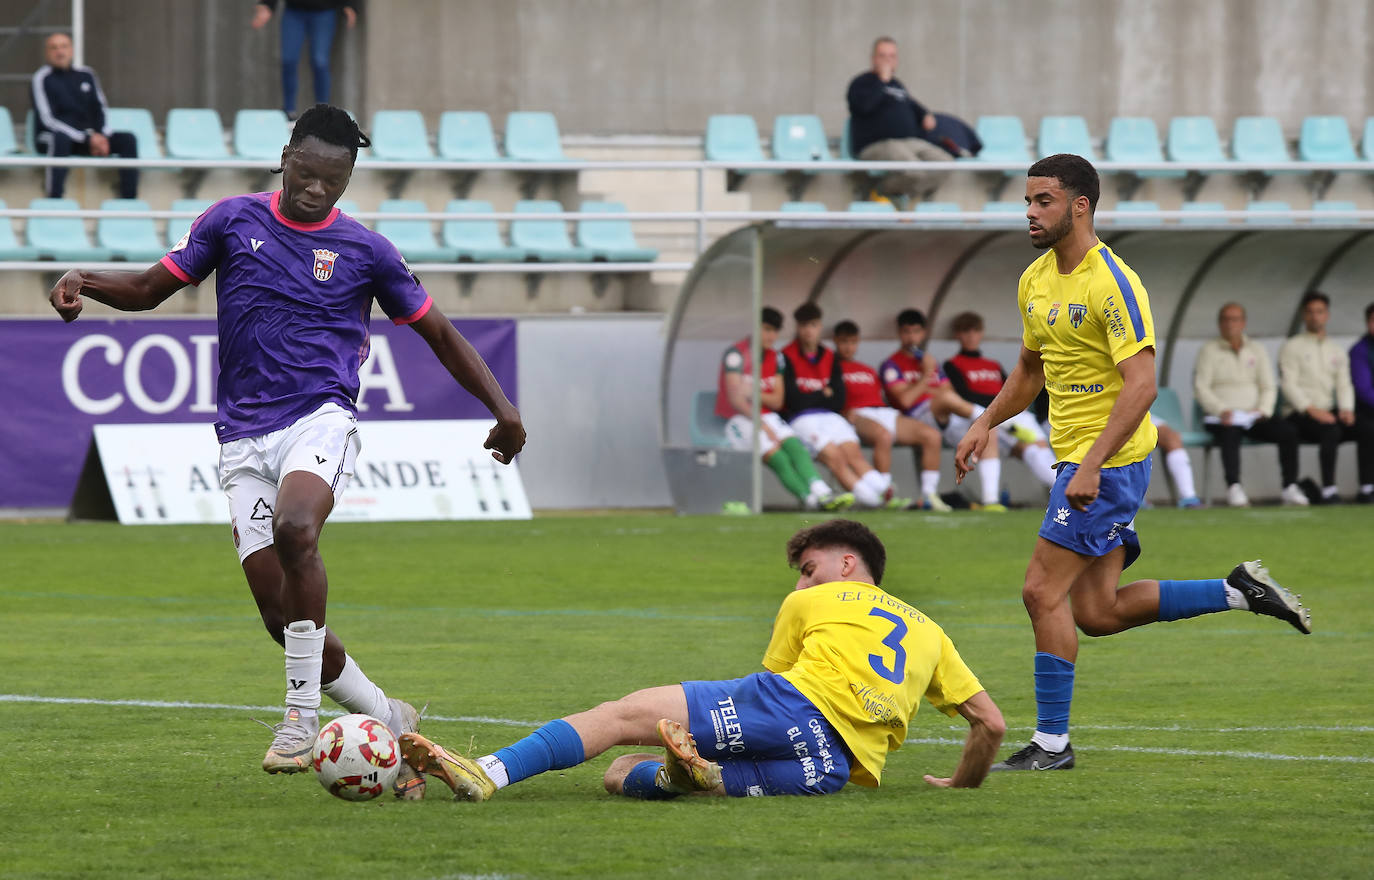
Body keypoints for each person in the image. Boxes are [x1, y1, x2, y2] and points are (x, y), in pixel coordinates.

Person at [46, 105, 525, 795]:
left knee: (298, 527)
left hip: (319, 417)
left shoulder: (367, 251)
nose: (316, 190)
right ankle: (387, 716)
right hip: (242, 435)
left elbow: (440, 333)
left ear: (348, 176)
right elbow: (152, 289)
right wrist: (83, 282)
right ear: (285, 158)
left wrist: (503, 412)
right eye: (307, 173)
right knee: (281, 616)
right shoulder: (232, 221)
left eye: (333, 180)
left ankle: (298, 719)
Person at [955, 153, 1312, 772]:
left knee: (1041, 591)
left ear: (1080, 205)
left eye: (1044, 201)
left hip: (1110, 463)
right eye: (1028, 202)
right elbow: (1030, 371)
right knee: (1097, 613)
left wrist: (1090, 465)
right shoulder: (1035, 279)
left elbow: (1141, 385)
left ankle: (1052, 744)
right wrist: (985, 421)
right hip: (1083, 460)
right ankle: (1238, 592)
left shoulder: (1113, 282)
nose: (1032, 213)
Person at [395, 519, 1006, 800]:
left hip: (790, 707)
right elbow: (992, 724)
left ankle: (489, 772)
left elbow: (771, 683)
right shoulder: (932, 633)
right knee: (630, 773)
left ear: (847, 564)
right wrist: (962, 783)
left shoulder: (814, 602)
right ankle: (687, 774)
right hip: (828, 770)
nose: (801, 586)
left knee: (620, 716)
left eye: (808, 569)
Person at [715, 307, 849, 511]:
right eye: (766, 329)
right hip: (738, 419)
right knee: (779, 458)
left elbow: (778, 401)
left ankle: (823, 492)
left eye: (775, 331)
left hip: (766, 415)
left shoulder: (775, 358)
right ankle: (809, 500)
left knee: (796, 448)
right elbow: (735, 399)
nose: (771, 336)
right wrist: (759, 419)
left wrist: (752, 391)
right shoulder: (736, 355)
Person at [882, 308, 1006, 511]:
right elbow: (906, 399)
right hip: (916, 418)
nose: (911, 337)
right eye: (906, 332)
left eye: (916, 332)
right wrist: (927, 375)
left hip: (944, 418)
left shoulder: (929, 361)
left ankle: (991, 500)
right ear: (899, 333)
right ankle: (994, 419)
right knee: (946, 399)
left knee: (989, 430)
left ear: (923, 333)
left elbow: (949, 393)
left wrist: (927, 382)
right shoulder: (892, 364)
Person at [780, 303, 893, 508]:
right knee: (834, 456)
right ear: (797, 327)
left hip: (831, 416)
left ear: (819, 327)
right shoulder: (786, 356)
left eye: (812, 325)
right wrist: (822, 393)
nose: (808, 330)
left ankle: (885, 493)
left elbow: (838, 399)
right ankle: (872, 500)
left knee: (854, 454)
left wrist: (812, 395)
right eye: (803, 325)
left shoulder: (829, 356)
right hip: (801, 418)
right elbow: (792, 400)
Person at [1193, 302, 1306, 507]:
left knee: (1288, 431)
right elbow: (1201, 388)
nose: (1230, 324)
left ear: (1243, 323)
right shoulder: (1208, 351)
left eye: (1235, 319)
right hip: (1223, 417)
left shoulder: (1257, 349)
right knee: (1230, 432)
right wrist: (1221, 410)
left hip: (1253, 417)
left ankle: (1290, 486)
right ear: (1219, 324)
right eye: (1226, 319)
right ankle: (1234, 487)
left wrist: (1263, 410)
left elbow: (1268, 386)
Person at [833, 320, 943, 511]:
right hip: (856, 414)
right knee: (883, 435)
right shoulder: (832, 367)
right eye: (843, 342)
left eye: (852, 342)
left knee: (931, 435)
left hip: (882, 411)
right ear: (835, 342)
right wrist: (841, 413)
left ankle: (929, 496)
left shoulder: (867, 369)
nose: (848, 347)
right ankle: (885, 494)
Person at [943, 310, 1059, 491]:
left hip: (1008, 413)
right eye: (966, 331)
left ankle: (1063, 490)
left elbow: (1012, 390)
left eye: (975, 330)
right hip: (982, 416)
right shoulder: (952, 364)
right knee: (992, 433)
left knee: (1036, 449)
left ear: (981, 333)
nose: (971, 336)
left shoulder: (993, 365)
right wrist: (996, 408)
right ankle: (991, 499)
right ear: (958, 335)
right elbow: (964, 395)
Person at [30, 31, 139, 200]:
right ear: (47, 53)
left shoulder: (87, 74)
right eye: (54, 48)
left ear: (72, 50)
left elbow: (100, 107)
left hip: (88, 138)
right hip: (53, 137)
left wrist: (101, 135)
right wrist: (87, 138)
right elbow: (48, 119)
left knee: (128, 139)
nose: (60, 52)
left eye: (64, 46)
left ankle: (129, 200)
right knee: (60, 139)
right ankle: (54, 199)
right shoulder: (42, 78)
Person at [845, 36, 951, 202]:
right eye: (883, 56)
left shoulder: (897, 86)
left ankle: (889, 192)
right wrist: (882, 82)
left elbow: (911, 104)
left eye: (892, 56)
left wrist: (925, 115)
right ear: (873, 58)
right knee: (914, 170)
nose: (888, 60)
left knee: (945, 164)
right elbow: (863, 107)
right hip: (877, 145)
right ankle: (881, 192)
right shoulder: (862, 83)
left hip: (908, 143)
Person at [1279, 291, 1357, 504]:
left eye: (1320, 312)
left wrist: (1346, 409)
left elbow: (1343, 383)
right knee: (1331, 431)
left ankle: (1368, 487)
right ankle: (1329, 489)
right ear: (1304, 316)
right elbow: (1288, 384)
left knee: (1367, 428)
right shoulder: (1292, 346)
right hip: (1300, 413)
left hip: (1328, 411)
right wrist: (1312, 410)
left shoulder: (1335, 349)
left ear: (1327, 315)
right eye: (1311, 312)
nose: (1315, 317)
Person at [252, 0, 358, 119]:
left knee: (320, 61)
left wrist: (350, 4)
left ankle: (322, 112)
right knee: (288, 60)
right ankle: (289, 111)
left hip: (324, 12)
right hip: (293, 11)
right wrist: (268, 5)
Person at [1350, 302, 1374, 503]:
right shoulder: (1360, 350)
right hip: (1367, 410)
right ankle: (1367, 488)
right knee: (1368, 430)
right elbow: (1364, 389)